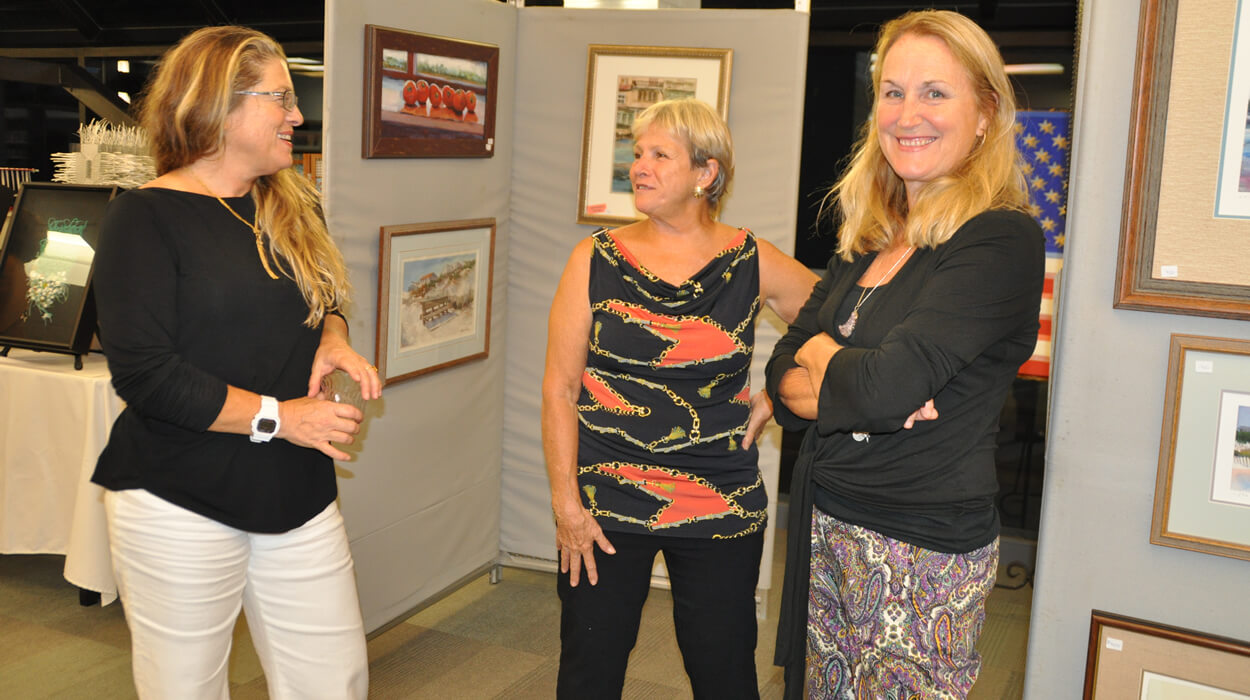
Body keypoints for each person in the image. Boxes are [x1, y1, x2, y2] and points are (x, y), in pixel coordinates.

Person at [91, 25, 380, 699]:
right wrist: (284, 419)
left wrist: (333, 337)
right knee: (185, 687)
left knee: (333, 682)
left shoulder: (291, 203)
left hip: (296, 489)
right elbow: (146, 374)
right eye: (282, 98)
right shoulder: (144, 218)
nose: (297, 116)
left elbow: (325, 295)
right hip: (178, 496)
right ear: (218, 106)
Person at [764, 10, 1045, 699]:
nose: (907, 113)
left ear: (985, 113)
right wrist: (853, 379)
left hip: (920, 545)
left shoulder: (998, 240)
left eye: (934, 93)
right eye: (893, 92)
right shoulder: (870, 238)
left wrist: (829, 357)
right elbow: (781, 379)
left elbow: (885, 387)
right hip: (827, 520)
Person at [542, 97, 818, 699]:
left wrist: (780, 391)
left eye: (660, 155)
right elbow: (560, 389)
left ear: (705, 173)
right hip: (606, 502)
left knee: (724, 676)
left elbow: (834, 320)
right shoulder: (594, 258)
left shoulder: (750, 260)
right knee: (589, 673)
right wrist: (566, 504)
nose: (639, 166)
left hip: (720, 496)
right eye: (637, 153)